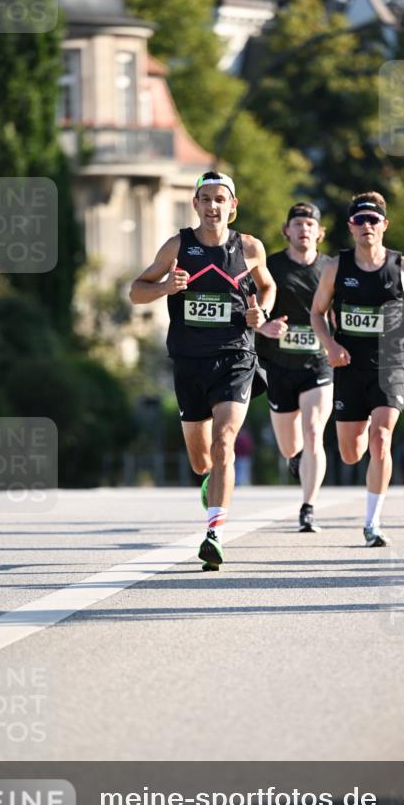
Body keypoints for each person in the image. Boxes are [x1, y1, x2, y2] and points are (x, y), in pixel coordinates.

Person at [129, 171, 276, 570]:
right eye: (206, 199)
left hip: (235, 356)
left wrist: (261, 312)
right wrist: (165, 288)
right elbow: (136, 290)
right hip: (189, 361)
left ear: (233, 205)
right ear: (195, 204)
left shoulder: (249, 247)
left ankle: (214, 534)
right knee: (201, 460)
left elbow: (267, 286)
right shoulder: (179, 246)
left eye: (220, 199)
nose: (213, 207)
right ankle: (211, 485)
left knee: (225, 440)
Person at [311, 191, 404, 547]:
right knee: (351, 452)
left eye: (373, 219)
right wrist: (331, 345)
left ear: (384, 225)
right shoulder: (336, 267)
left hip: (390, 364)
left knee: (381, 440)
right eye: (360, 220)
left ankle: (372, 522)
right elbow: (317, 314)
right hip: (348, 366)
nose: (367, 225)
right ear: (351, 226)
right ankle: (360, 445)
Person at [255, 202, 333, 532]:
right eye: (297, 223)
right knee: (290, 446)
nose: (304, 229)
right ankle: (297, 458)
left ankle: (308, 507)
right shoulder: (270, 267)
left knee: (315, 430)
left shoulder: (331, 268)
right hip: (279, 365)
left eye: (309, 224)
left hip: (318, 363)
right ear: (286, 230)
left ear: (320, 232)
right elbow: (251, 308)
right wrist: (264, 327)